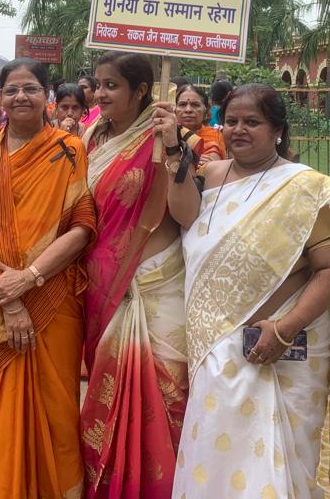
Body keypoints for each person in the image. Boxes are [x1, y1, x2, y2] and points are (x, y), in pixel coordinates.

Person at [163, 83, 330, 498]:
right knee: (215, 455)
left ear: (278, 129)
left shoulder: (306, 189)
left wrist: (284, 329)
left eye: (252, 122)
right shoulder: (212, 175)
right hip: (214, 346)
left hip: (276, 349)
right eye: (231, 121)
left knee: (279, 462)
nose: (238, 130)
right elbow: (185, 217)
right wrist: (174, 153)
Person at [0, 58, 96, 499]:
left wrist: (31, 277)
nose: (22, 96)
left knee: (56, 407)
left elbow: (80, 225)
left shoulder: (69, 150)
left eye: (31, 88)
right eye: (13, 89)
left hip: (53, 295)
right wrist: (11, 298)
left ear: (47, 97)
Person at [79, 51, 189, 498]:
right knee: (104, 396)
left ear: (141, 90)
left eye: (111, 86)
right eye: (98, 84)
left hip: (157, 285)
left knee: (165, 396)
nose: (99, 93)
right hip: (102, 284)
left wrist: (175, 149)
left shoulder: (171, 140)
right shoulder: (90, 138)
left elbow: (186, 214)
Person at [174, 84, 226, 163]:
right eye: (182, 104)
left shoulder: (214, 135)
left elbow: (216, 165)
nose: (188, 110)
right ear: (175, 110)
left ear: (205, 110)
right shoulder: (168, 135)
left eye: (195, 105)